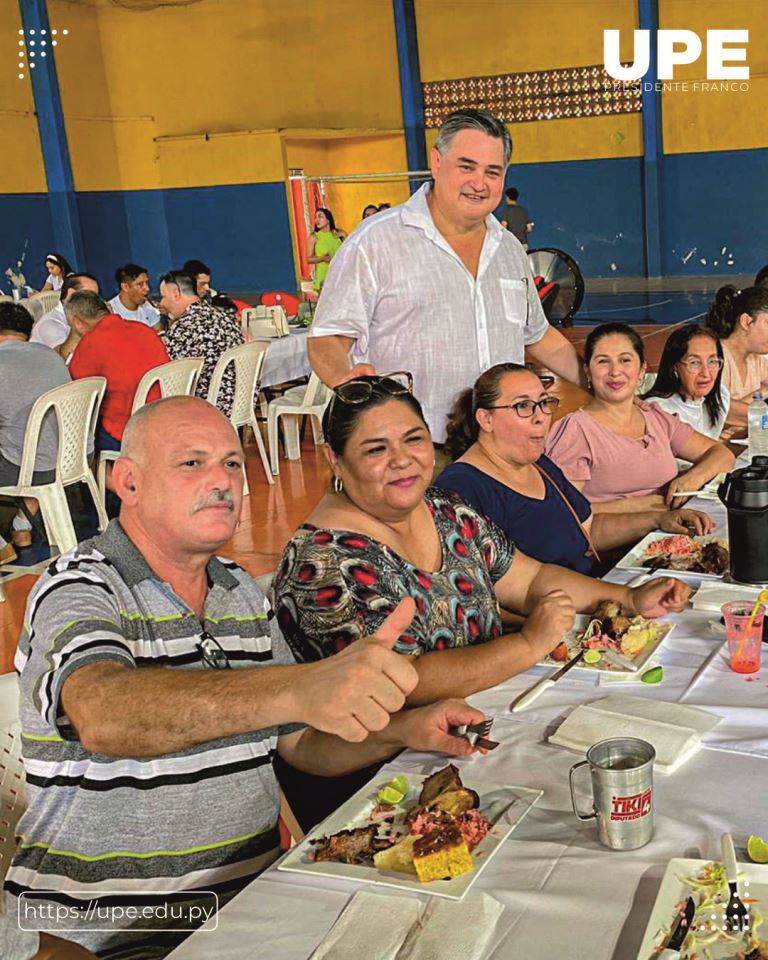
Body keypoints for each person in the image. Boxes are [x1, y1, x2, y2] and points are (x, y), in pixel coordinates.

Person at [5, 395, 485, 958]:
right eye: (192, 463)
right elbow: (105, 714)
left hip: (253, 910)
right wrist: (303, 686)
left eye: (233, 463)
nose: (222, 481)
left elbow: (301, 744)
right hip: (96, 934)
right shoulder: (80, 585)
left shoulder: (235, 589)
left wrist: (402, 730)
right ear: (128, 482)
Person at [274, 374, 690, 692]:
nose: (402, 460)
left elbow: (531, 580)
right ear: (335, 458)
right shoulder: (323, 561)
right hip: (401, 760)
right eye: (376, 449)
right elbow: (398, 678)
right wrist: (528, 644)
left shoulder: (444, 510)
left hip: (493, 702)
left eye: (414, 439)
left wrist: (628, 598)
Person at [306, 109, 584, 445]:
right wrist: (347, 381)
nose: (479, 183)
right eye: (466, 166)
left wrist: (604, 383)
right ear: (437, 162)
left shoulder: (509, 249)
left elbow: (539, 336)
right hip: (416, 451)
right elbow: (327, 338)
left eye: (492, 172)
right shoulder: (375, 241)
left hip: (503, 448)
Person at [435, 363, 713, 574]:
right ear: (485, 419)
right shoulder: (461, 489)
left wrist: (657, 521)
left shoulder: (540, 465)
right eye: (523, 407)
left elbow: (587, 529)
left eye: (544, 404)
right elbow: (479, 590)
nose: (541, 418)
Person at [546, 323, 735, 511]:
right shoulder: (575, 431)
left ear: (642, 370)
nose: (615, 372)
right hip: (618, 539)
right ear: (587, 370)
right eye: (603, 361)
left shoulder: (655, 418)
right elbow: (565, 513)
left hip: (665, 533)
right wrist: (642, 507)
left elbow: (722, 454)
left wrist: (693, 478)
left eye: (625, 360)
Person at [0, 302, 71, 562]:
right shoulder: (52, 356)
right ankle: (22, 527)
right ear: (29, 332)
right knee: (28, 442)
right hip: (69, 460)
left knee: (19, 445)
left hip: (24, 466)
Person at [65, 291, 169, 452]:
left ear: (77, 322)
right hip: (164, 416)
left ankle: (105, 475)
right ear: (109, 309)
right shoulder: (143, 330)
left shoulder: (91, 343)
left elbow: (76, 390)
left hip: (126, 428)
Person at [159, 270, 243, 416]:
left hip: (208, 408)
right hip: (239, 400)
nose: (161, 303)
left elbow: (169, 374)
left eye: (163, 297)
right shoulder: (225, 317)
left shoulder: (184, 328)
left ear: (176, 294)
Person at [642, 324, 730, 440]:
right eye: (694, 363)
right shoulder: (659, 410)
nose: (706, 373)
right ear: (674, 367)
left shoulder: (719, 400)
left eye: (712, 361)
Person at [705, 285, 768, 427]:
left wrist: (762, 392)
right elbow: (721, 409)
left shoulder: (755, 359)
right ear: (746, 322)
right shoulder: (716, 357)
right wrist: (762, 393)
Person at [29, 272, 100, 351]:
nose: (96, 303)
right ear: (71, 294)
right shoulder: (50, 323)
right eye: (90, 296)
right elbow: (66, 357)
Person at [108, 263, 162, 329]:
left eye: (147, 283)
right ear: (125, 287)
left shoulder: (148, 306)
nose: (147, 288)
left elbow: (159, 332)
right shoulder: (110, 312)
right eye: (140, 284)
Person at [307, 207, 346, 293]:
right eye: (315, 217)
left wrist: (344, 237)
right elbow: (309, 259)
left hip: (340, 274)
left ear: (328, 220)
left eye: (320, 216)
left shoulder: (339, 234)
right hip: (324, 276)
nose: (317, 220)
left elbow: (349, 252)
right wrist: (323, 258)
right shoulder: (314, 237)